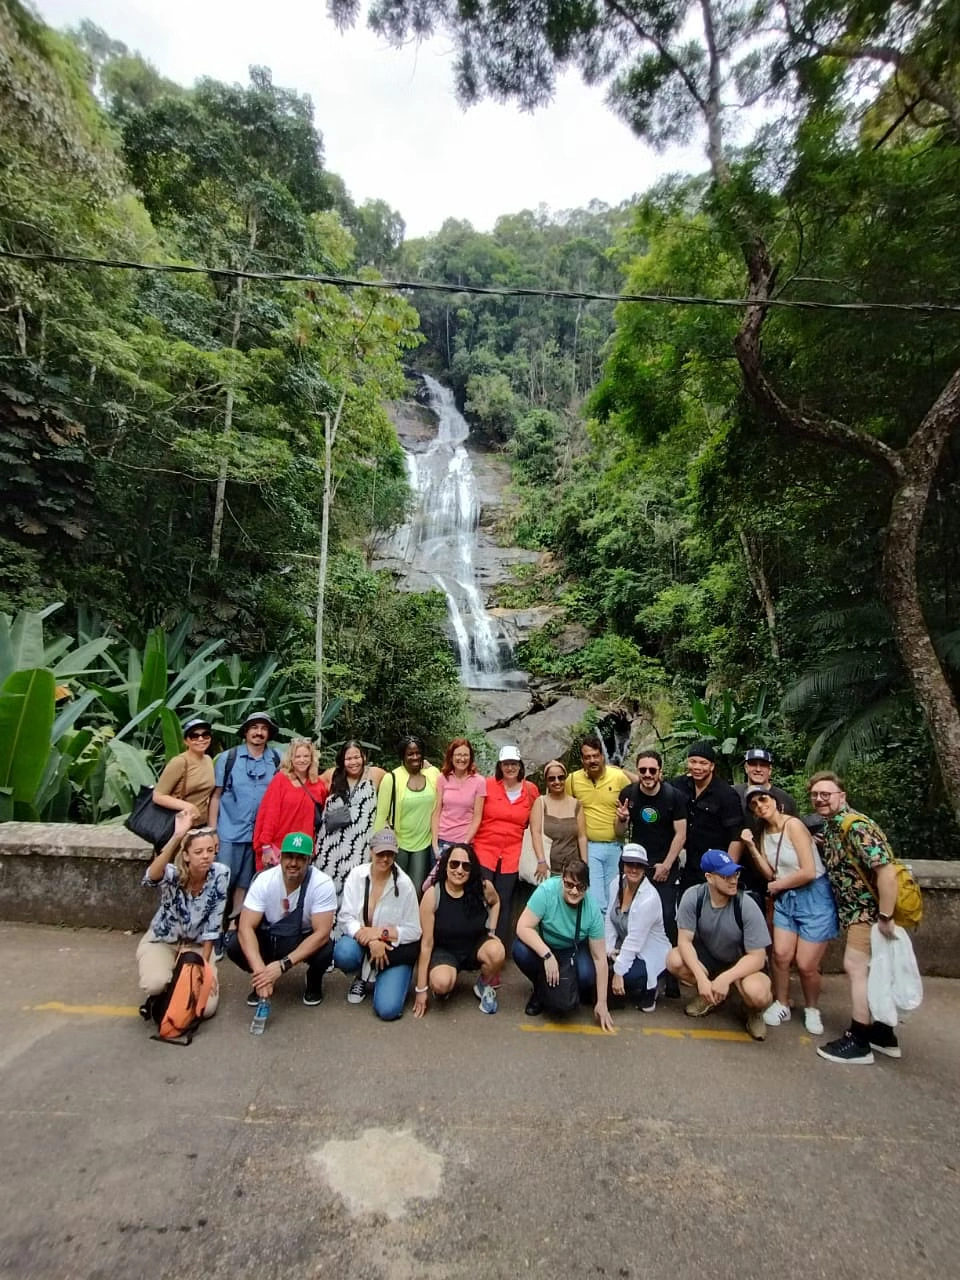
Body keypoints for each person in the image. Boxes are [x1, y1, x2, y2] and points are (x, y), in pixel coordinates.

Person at [808, 772, 901, 1065]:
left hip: (868, 913)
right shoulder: (834, 827)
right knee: (876, 972)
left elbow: (885, 871)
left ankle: (859, 1039)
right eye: (816, 795)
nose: (821, 799)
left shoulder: (856, 826)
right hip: (856, 912)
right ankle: (884, 1034)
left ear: (842, 796)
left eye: (827, 794)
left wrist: (886, 915)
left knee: (855, 966)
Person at [739, 784, 838, 1034]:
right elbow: (769, 873)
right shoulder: (762, 833)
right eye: (754, 804)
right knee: (780, 955)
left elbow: (808, 871)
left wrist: (777, 885)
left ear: (775, 801)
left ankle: (812, 1008)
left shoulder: (793, 825)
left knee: (806, 964)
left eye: (763, 800)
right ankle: (781, 1002)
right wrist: (750, 847)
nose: (760, 806)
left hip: (813, 896)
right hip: (785, 898)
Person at [666, 849, 772, 1040]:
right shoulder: (694, 896)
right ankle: (710, 996)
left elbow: (757, 957)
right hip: (711, 958)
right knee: (674, 960)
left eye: (735, 873)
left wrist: (726, 979)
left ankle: (753, 1011)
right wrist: (702, 980)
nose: (733, 880)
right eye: (725, 876)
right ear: (709, 877)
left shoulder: (746, 905)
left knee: (758, 993)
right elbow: (684, 941)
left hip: (742, 962)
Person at [226, 831, 336, 1008]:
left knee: (326, 947)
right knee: (234, 944)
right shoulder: (264, 880)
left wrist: (283, 965)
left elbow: (322, 933)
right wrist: (261, 972)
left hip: (300, 937)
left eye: (300, 858)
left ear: (309, 860)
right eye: (288, 857)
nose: (293, 863)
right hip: (270, 935)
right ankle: (261, 978)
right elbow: (246, 926)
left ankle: (314, 979)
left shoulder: (321, 884)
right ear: (280, 856)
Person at [136, 810, 228, 1021]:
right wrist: (177, 837)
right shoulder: (173, 873)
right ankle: (160, 997)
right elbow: (151, 877)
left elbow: (213, 925)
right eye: (198, 852)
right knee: (156, 983)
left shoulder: (220, 874)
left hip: (197, 945)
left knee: (207, 1009)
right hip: (164, 940)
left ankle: (178, 988)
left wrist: (203, 968)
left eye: (210, 851)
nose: (206, 856)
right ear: (186, 855)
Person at [513, 857, 614, 1031]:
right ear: (562, 881)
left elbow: (600, 959)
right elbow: (522, 927)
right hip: (544, 947)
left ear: (587, 887)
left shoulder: (592, 910)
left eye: (580, 887)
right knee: (519, 950)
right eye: (569, 885)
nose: (574, 891)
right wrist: (547, 954)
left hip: (572, 949)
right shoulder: (546, 891)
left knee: (587, 974)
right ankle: (539, 989)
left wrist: (602, 1002)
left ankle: (568, 988)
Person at [615, 748, 686, 994]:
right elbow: (619, 833)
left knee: (667, 917)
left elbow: (681, 833)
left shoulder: (673, 797)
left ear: (660, 772)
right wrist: (622, 819)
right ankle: (632, 966)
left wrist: (667, 864)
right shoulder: (628, 794)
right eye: (642, 770)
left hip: (663, 862)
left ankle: (672, 975)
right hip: (636, 864)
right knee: (628, 913)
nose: (647, 774)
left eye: (652, 770)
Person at [333, 828, 422, 1021]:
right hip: (364, 944)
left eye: (390, 854)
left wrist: (381, 934)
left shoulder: (405, 885)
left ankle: (389, 979)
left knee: (388, 1010)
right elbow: (346, 917)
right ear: (371, 851)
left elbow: (415, 931)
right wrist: (371, 940)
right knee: (343, 952)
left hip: (392, 951)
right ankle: (362, 977)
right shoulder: (357, 876)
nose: (385, 859)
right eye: (381, 853)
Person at [208, 712, 281, 935]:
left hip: (259, 836)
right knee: (221, 882)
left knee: (245, 883)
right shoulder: (228, 759)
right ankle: (212, 930)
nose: (258, 732)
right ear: (246, 732)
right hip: (229, 831)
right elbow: (216, 796)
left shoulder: (276, 759)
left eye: (263, 728)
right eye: (254, 728)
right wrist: (212, 832)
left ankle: (233, 926)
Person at [413, 843, 505, 1018]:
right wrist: (421, 989)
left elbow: (496, 902)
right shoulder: (433, 894)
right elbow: (426, 945)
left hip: (474, 947)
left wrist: (491, 931)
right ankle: (444, 983)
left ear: (472, 869)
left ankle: (484, 985)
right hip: (444, 951)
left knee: (497, 951)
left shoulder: (483, 888)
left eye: (466, 866)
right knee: (441, 983)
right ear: (445, 865)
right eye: (454, 864)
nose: (459, 870)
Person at [472, 745, 538, 944]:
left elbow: (535, 823)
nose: (510, 768)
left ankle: (498, 946)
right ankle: (476, 943)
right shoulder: (487, 784)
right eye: (506, 764)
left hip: (512, 853)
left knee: (505, 900)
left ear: (520, 765)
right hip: (485, 848)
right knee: (480, 895)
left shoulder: (530, 790)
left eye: (514, 764)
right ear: (500, 766)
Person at [316, 740, 385, 922]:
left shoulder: (375, 775)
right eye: (348, 758)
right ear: (342, 760)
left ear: (363, 757)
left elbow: (399, 780)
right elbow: (309, 781)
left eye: (357, 757)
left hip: (359, 847)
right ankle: (324, 931)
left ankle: (350, 933)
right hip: (331, 846)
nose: (353, 762)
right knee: (327, 889)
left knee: (355, 889)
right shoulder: (333, 775)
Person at [565, 734, 632, 909]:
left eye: (595, 755)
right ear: (582, 760)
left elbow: (641, 787)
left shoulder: (618, 777)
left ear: (602, 756)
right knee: (596, 899)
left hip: (615, 846)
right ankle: (599, 936)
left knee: (613, 898)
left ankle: (611, 936)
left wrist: (622, 770)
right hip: (590, 847)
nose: (592, 760)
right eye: (587, 757)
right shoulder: (572, 781)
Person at [670, 741, 743, 894]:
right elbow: (655, 788)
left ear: (712, 766)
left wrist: (727, 873)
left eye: (703, 763)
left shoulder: (726, 795)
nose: (697, 767)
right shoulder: (678, 785)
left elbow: (736, 838)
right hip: (688, 864)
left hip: (715, 864)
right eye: (693, 762)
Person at [605, 843, 670, 1013]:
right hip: (624, 948)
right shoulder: (615, 884)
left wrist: (618, 972)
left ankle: (654, 982)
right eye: (629, 864)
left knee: (617, 975)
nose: (633, 869)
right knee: (596, 972)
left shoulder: (649, 899)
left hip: (647, 952)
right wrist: (608, 951)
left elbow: (635, 941)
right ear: (622, 865)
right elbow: (610, 920)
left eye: (639, 865)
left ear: (644, 868)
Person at [373, 735, 441, 891]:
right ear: (402, 756)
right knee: (395, 887)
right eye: (410, 754)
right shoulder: (392, 778)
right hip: (399, 842)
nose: (415, 757)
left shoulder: (433, 774)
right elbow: (381, 816)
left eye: (418, 753)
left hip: (423, 842)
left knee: (416, 889)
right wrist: (377, 849)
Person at [733, 747, 798, 909]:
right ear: (746, 768)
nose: (758, 769)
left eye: (763, 765)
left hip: (776, 872)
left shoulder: (785, 799)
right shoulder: (732, 794)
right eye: (753, 764)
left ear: (770, 770)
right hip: (741, 871)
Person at [252, 738, 328, 872]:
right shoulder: (280, 780)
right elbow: (270, 813)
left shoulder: (318, 785)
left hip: (303, 848)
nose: (302, 760)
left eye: (306, 756)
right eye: (297, 756)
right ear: (291, 758)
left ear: (312, 758)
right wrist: (266, 846)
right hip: (278, 847)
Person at [152, 716, 217, 828]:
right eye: (194, 736)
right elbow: (158, 796)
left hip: (201, 824)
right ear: (186, 741)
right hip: (180, 825)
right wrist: (189, 806)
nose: (201, 739)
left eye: (205, 735)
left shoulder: (208, 759)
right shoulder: (180, 762)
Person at [529, 759, 586, 879]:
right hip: (547, 869)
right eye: (552, 778)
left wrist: (585, 865)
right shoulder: (540, 802)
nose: (557, 782)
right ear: (546, 781)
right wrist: (541, 861)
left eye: (561, 777)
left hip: (572, 869)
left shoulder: (577, 804)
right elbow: (536, 833)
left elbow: (582, 836)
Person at [431, 738, 486, 860]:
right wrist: (434, 844)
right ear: (451, 757)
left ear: (471, 757)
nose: (462, 759)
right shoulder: (442, 778)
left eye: (465, 755)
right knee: (437, 878)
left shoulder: (479, 782)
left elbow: (477, 817)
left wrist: (465, 843)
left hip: (465, 842)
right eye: (458, 755)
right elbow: (436, 812)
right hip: (442, 840)